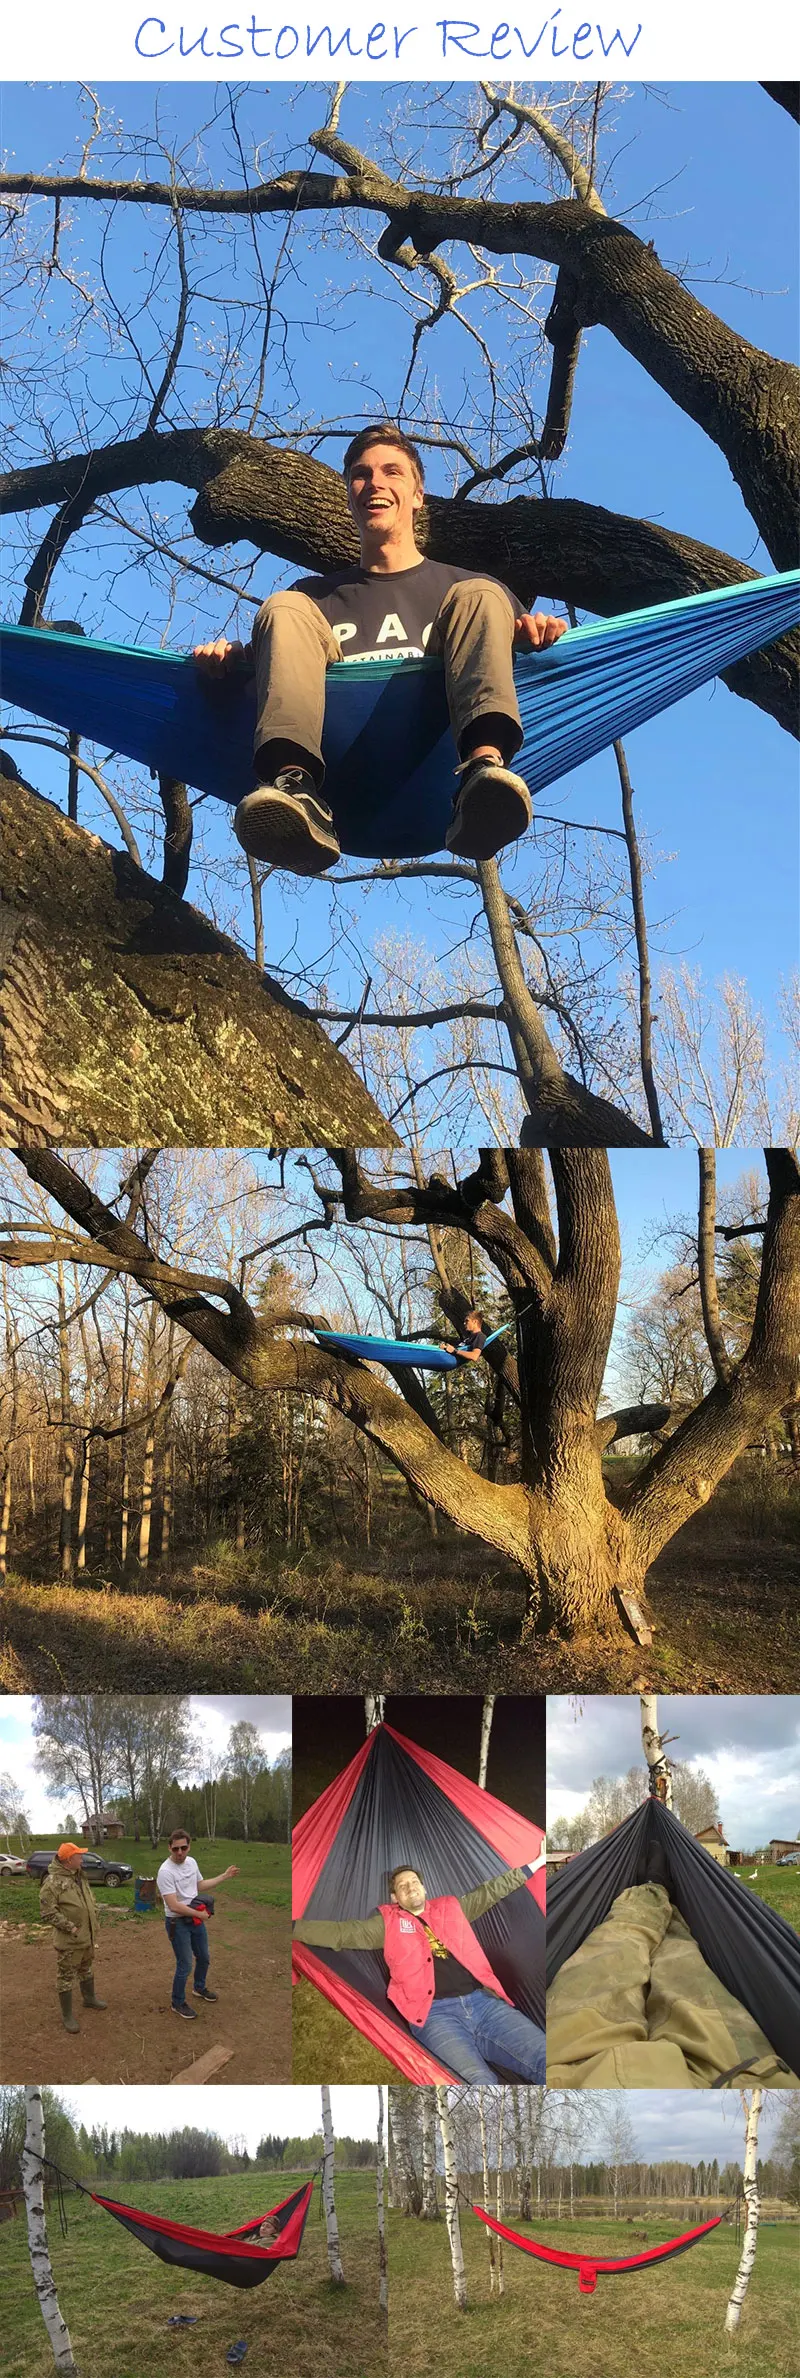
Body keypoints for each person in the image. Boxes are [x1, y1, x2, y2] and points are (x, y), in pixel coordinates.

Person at [193, 423, 567, 873]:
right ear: (348, 494)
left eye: (392, 472)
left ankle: (483, 772)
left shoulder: (473, 593)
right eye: (360, 474)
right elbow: (263, 680)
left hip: (441, 780)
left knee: (480, 594)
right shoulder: (310, 603)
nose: (375, 484)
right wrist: (225, 662)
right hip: (339, 788)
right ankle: (294, 787)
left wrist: (536, 638)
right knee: (284, 606)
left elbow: (522, 665)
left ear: (417, 494)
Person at [293, 1857, 545, 2083]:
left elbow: (490, 1892)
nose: (410, 1887)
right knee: (476, 2080)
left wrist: (536, 1863)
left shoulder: (452, 1908)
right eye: (402, 1886)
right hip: (435, 2016)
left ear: (424, 1888)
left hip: (485, 2004)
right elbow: (341, 1933)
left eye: (414, 1882)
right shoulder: (386, 1925)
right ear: (394, 1897)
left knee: (544, 2055)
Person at [156, 1829, 239, 2022]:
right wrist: (200, 1915)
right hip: (177, 1922)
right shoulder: (165, 1872)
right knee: (184, 1964)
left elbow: (199, 1886)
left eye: (183, 1847)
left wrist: (224, 1876)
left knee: (204, 1957)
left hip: (194, 1918)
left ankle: (199, 1988)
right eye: (175, 1848)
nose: (180, 1852)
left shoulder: (192, 1862)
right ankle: (177, 2002)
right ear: (169, 1847)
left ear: (189, 1846)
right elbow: (173, 1905)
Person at [39, 1842, 106, 2034]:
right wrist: (71, 1927)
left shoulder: (79, 1876)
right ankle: (67, 2016)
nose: (82, 1859)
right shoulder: (52, 1882)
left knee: (86, 1968)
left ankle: (89, 1999)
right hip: (70, 1940)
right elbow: (47, 1912)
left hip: (87, 1936)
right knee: (66, 1977)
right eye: (79, 1856)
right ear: (69, 1860)